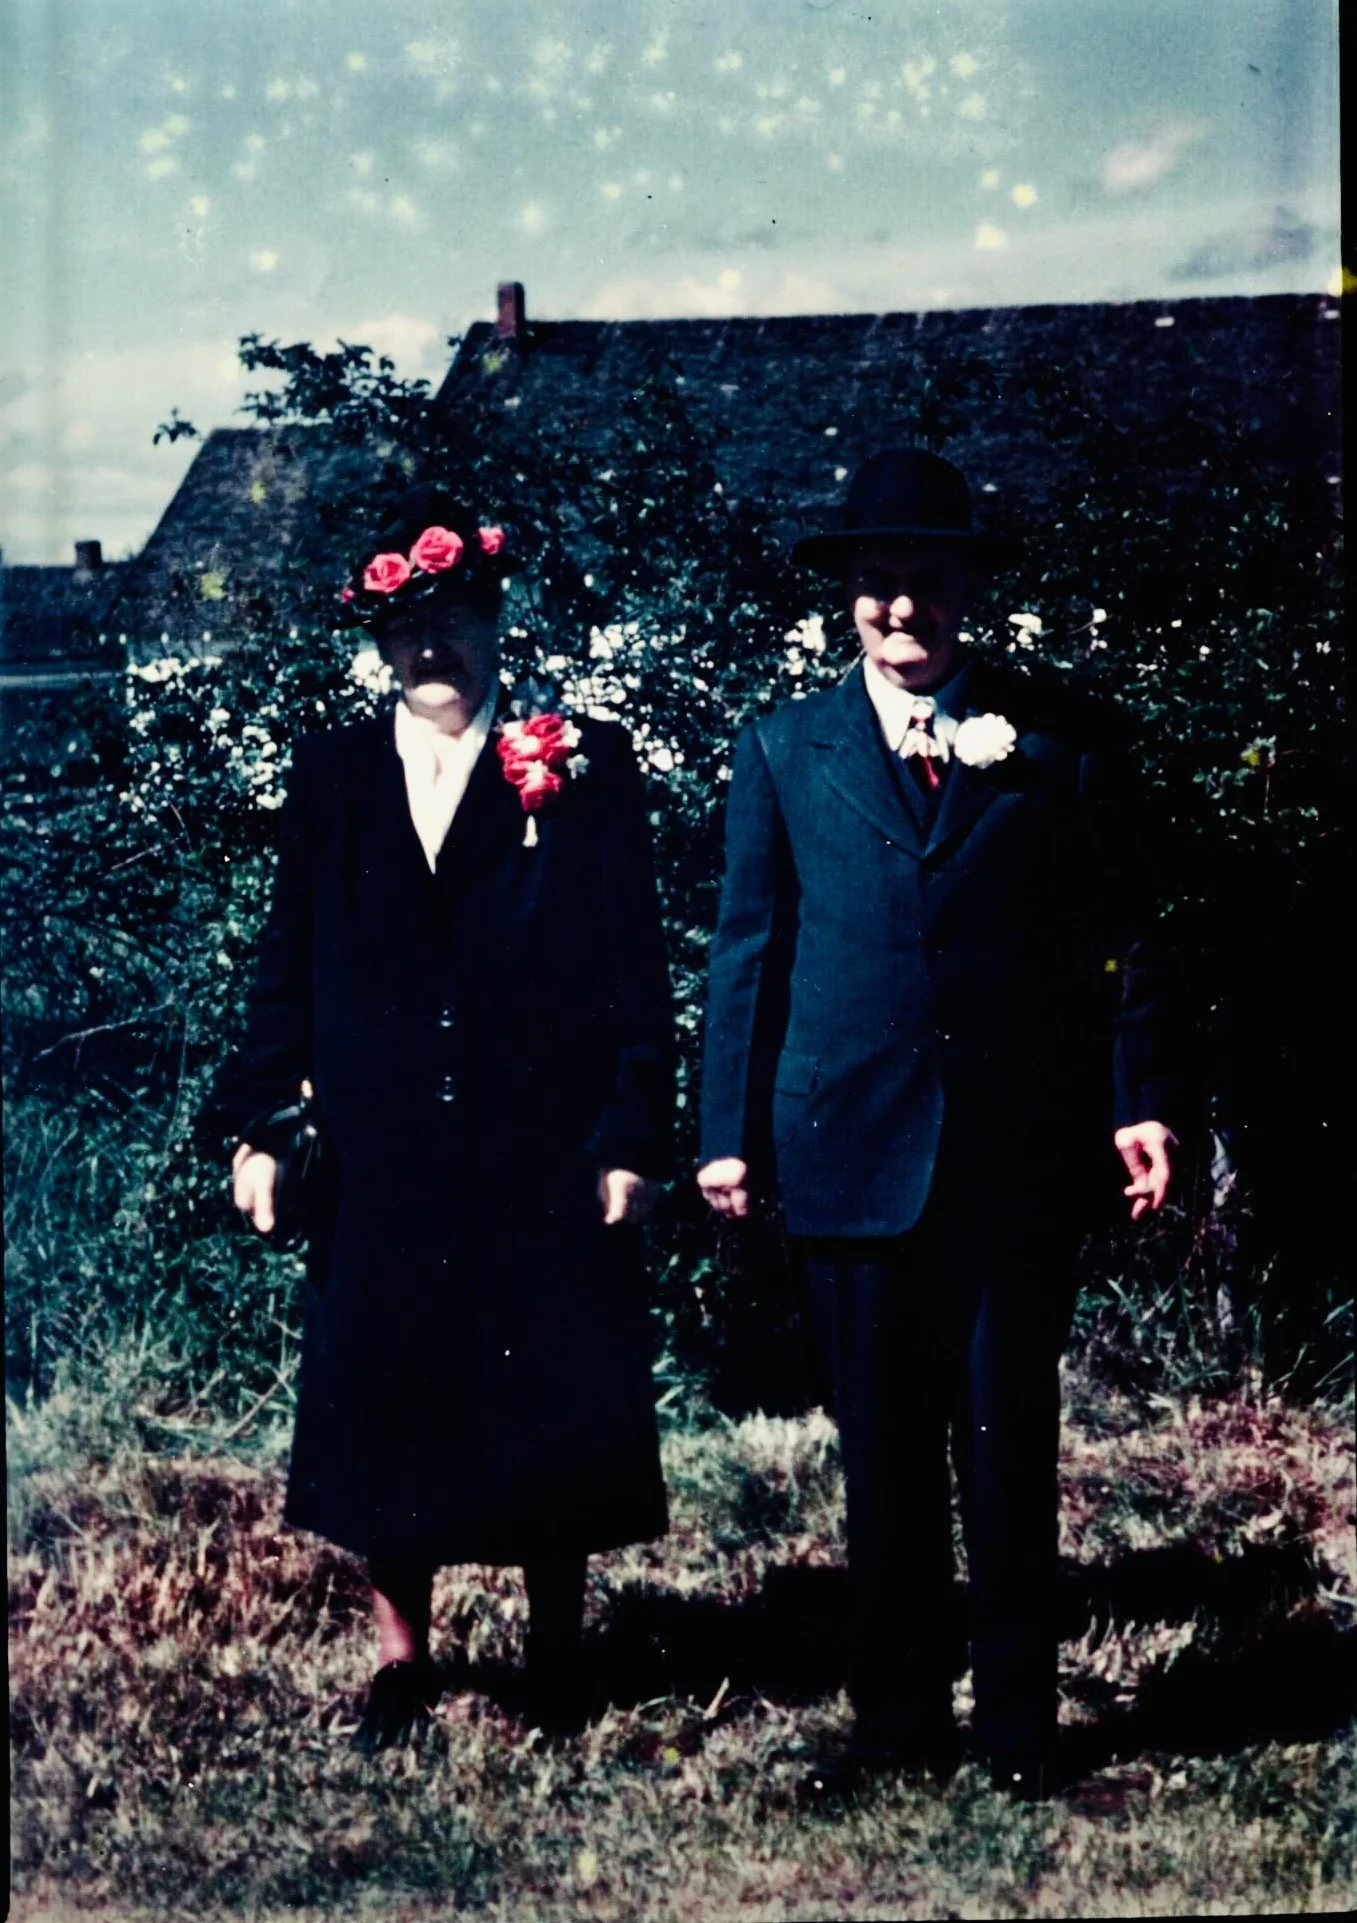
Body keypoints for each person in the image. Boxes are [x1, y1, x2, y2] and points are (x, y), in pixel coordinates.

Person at [697, 448, 1181, 1798]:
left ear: (969, 590)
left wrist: (1139, 1103)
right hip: (846, 1148)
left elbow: (1121, 937)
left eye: (926, 582)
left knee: (1009, 1443)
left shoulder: (1062, 740)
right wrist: (726, 1130)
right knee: (885, 1455)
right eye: (877, 583)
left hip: (1013, 1154)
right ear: (846, 594)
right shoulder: (782, 748)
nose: (901, 608)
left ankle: (1020, 1732)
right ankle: (898, 1725)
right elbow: (748, 950)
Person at [213, 483, 675, 1751]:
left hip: (543, 1147)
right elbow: (286, 965)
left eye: (455, 619)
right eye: (408, 627)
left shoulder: (580, 760)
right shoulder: (333, 774)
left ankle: (557, 1653)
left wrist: (632, 1135)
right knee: (387, 1402)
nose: (434, 647)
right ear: (378, 639)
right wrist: (258, 1122)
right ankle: (402, 1665)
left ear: (493, 618)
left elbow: (637, 969)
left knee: (554, 1395)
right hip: (384, 1151)